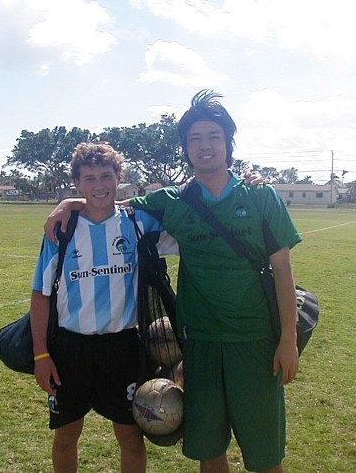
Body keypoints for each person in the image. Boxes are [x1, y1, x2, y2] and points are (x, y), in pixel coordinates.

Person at [45, 90, 302, 473]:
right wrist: (70, 203)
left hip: (255, 341)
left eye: (213, 136)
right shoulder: (173, 200)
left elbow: (283, 271)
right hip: (198, 344)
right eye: (195, 138)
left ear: (228, 142)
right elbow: (110, 204)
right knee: (209, 450)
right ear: (185, 147)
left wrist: (288, 339)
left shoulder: (261, 197)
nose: (204, 145)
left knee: (265, 456)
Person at [30, 142, 176, 473]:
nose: (99, 185)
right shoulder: (61, 229)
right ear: (77, 184)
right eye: (90, 178)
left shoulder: (138, 223)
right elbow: (41, 294)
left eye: (106, 176)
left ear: (118, 178)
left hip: (123, 348)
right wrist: (41, 355)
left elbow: (186, 217)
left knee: (131, 439)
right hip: (70, 349)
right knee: (66, 436)